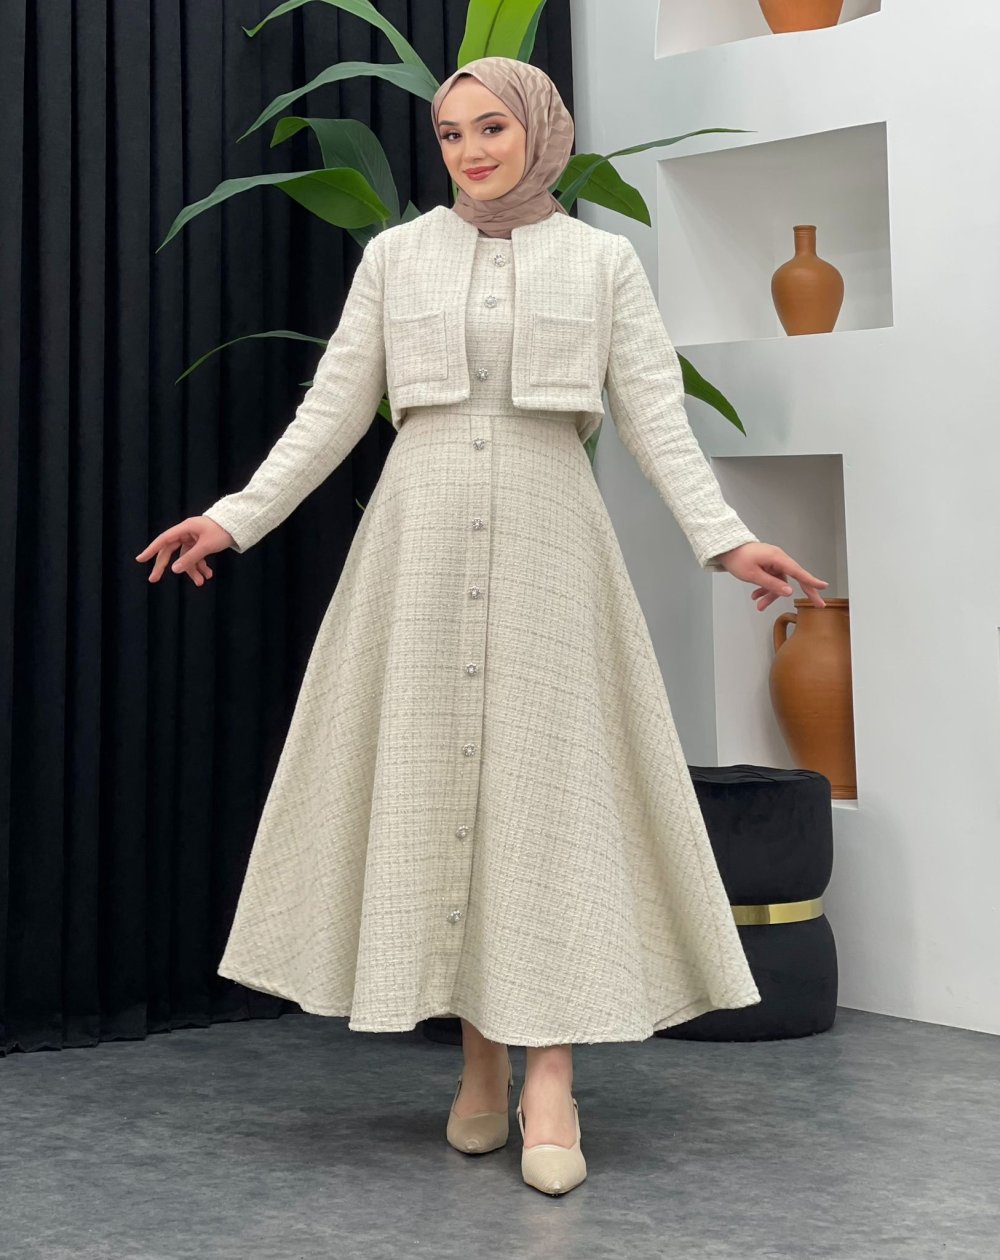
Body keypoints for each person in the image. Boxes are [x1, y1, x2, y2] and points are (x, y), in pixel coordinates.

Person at [136, 56, 828, 1197]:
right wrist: (233, 518)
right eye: (451, 133)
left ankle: (550, 1080)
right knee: (439, 795)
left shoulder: (601, 263)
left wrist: (725, 540)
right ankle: (478, 1060)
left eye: (491, 127)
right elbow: (331, 410)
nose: (469, 151)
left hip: (553, 550)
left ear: (540, 131)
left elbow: (655, 416)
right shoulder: (395, 256)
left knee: (541, 806)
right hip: (415, 547)